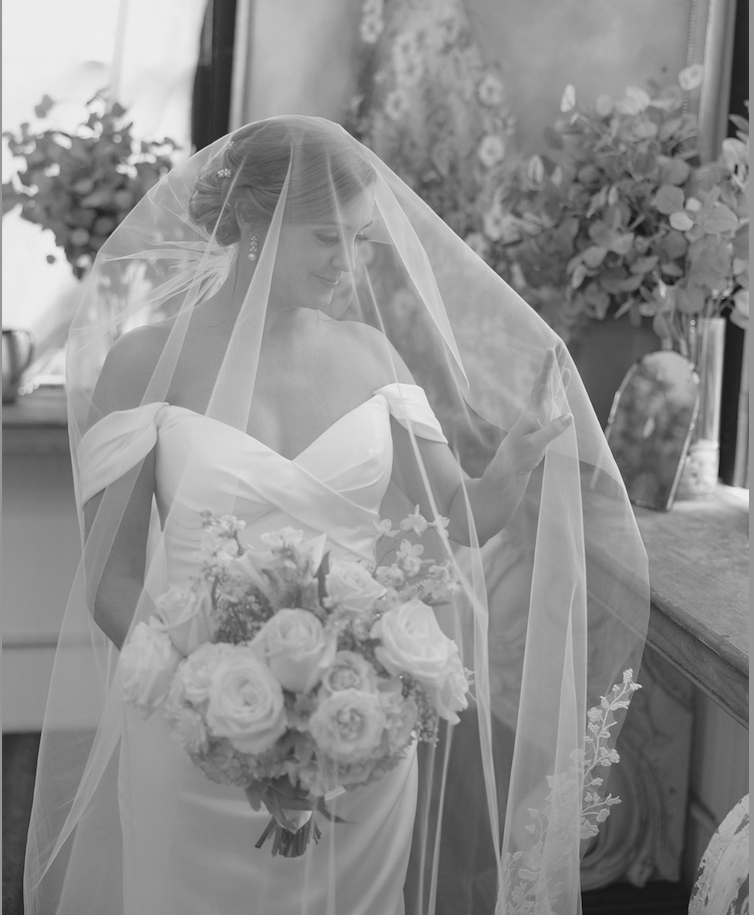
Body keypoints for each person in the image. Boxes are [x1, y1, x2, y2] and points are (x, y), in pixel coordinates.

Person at [24, 115, 649, 914]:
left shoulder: (371, 359)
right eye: (327, 237)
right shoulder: (147, 363)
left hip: (356, 734)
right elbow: (110, 584)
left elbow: (452, 521)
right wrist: (211, 701)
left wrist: (517, 464)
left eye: (360, 240)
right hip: (192, 745)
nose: (347, 264)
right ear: (254, 220)